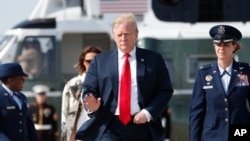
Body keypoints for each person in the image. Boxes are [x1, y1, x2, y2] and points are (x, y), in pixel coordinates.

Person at [76, 13, 173, 141]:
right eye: (119, 35)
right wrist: (92, 106)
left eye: (127, 34)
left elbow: (165, 90)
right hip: (109, 126)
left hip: (142, 126)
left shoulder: (153, 59)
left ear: (136, 34)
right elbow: (89, 89)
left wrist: (148, 112)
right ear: (114, 37)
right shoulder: (100, 62)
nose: (123, 38)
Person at [189, 25, 250, 141]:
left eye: (226, 44)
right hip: (213, 135)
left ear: (234, 46)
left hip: (240, 133)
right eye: (218, 44)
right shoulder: (203, 74)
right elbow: (196, 112)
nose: (221, 48)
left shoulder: (246, 72)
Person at [61, 46, 102, 141]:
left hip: (103, 133)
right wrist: (68, 136)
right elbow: (65, 113)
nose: (92, 64)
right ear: (83, 62)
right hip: (80, 134)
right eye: (89, 61)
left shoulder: (109, 82)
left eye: (96, 61)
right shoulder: (72, 85)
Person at [0, 63, 38, 141]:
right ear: (11, 81)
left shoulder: (22, 97)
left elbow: (28, 124)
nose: (24, 80)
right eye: (21, 78)